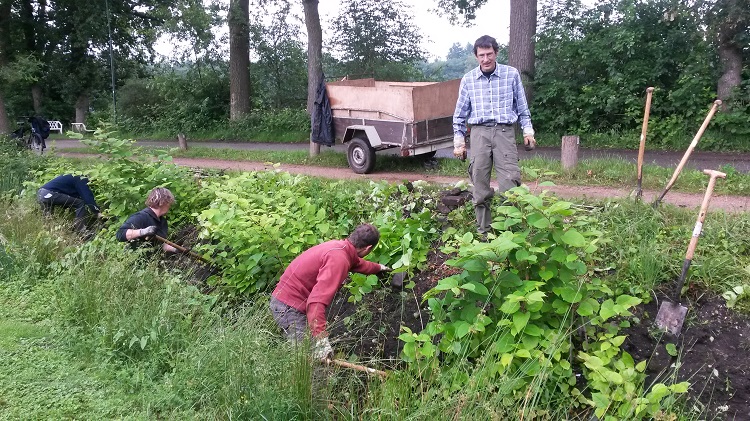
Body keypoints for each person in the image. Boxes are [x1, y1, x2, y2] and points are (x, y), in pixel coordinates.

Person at [453, 34, 536, 236]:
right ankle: (484, 234)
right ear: (476, 57)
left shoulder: (511, 74)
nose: (486, 59)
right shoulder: (468, 80)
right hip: (479, 134)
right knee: (480, 187)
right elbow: (459, 114)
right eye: (481, 55)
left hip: (504, 132)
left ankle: (511, 234)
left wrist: (528, 131)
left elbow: (522, 107)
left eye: (489, 54)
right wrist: (459, 142)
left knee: (510, 184)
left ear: (496, 53)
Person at [270, 224, 391, 360]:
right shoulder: (339, 259)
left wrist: (379, 268)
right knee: (309, 360)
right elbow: (316, 302)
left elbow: (358, 264)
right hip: (288, 308)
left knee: (309, 356)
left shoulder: (340, 248)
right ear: (368, 248)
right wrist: (321, 340)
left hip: (286, 300)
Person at [116, 187, 177, 253]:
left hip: (154, 261)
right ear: (163, 202)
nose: (170, 206)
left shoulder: (163, 221)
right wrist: (143, 232)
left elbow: (160, 245)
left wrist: (175, 250)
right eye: (169, 203)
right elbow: (120, 234)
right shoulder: (141, 217)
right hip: (137, 260)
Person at [37, 174, 101, 234]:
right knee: (80, 203)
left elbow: (71, 197)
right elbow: (87, 197)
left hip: (41, 193)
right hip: (50, 194)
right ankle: (82, 231)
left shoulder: (74, 177)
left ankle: (49, 234)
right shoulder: (82, 179)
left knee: (48, 219)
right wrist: (97, 211)